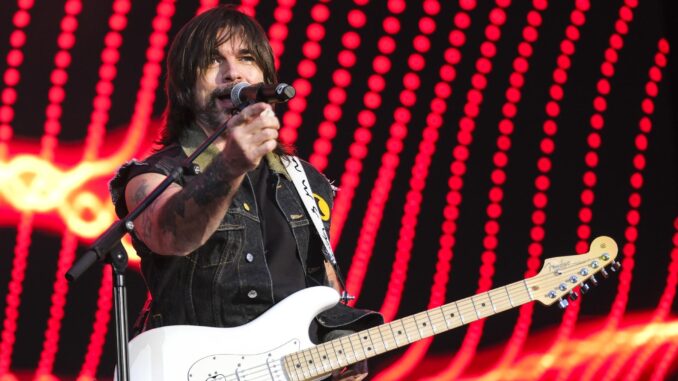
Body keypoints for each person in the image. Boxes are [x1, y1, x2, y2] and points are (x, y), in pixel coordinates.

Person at [109, 4, 381, 380]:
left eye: (246, 58)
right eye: (213, 60)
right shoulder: (152, 177)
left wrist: (338, 344)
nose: (232, 72)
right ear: (186, 86)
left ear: (265, 77)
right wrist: (230, 163)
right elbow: (171, 233)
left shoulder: (308, 182)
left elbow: (327, 292)